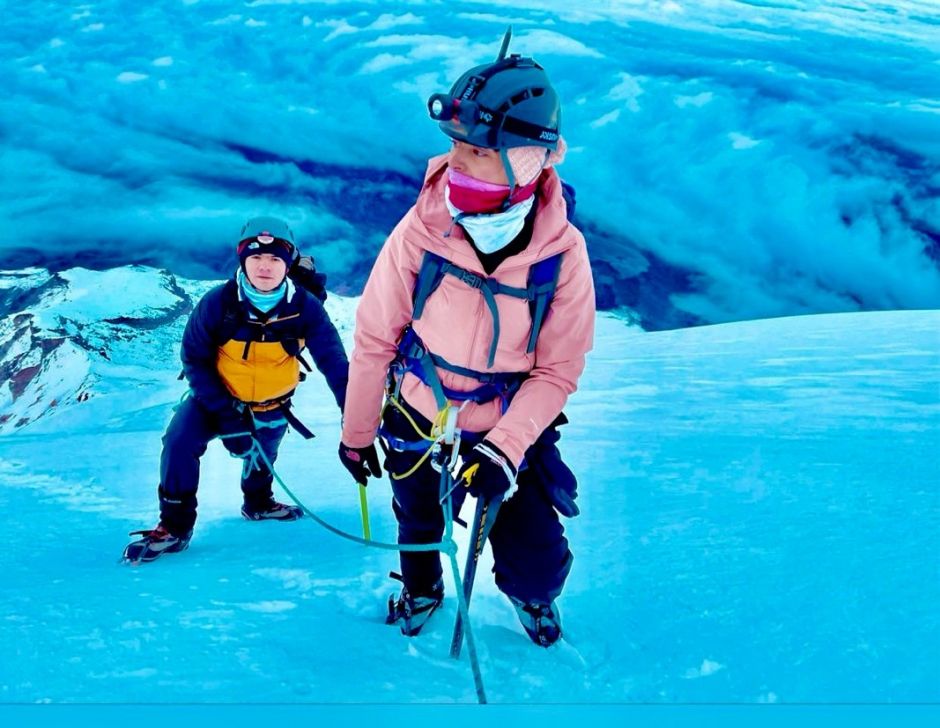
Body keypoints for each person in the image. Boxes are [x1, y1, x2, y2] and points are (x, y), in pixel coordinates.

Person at [338, 30, 595, 647]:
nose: (459, 161)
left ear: (531, 159)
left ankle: (533, 594)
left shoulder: (561, 256)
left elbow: (557, 371)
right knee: (418, 515)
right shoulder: (421, 229)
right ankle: (422, 585)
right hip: (417, 408)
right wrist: (356, 434)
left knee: (533, 548)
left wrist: (505, 450)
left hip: (502, 420)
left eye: (481, 150)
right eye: (457, 145)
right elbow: (375, 336)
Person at [124, 216, 349, 563]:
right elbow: (194, 360)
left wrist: (355, 413)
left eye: (275, 259)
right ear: (243, 260)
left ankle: (258, 504)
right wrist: (228, 419)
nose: (265, 267)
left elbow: (334, 362)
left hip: (273, 401)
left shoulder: (305, 309)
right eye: (256, 258)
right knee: (179, 441)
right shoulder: (218, 304)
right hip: (213, 399)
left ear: (288, 264)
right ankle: (174, 526)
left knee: (262, 454)